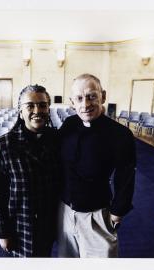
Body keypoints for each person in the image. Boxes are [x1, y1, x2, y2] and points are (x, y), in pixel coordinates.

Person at [58, 73, 136, 258]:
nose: (85, 104)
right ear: (72, 102)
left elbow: (126, 175)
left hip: (97, 214)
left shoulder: (120, 134)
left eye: (91, 96)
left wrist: (118, 211)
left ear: (103, 96)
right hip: (65, 212)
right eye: (79, 98)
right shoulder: (69, 124)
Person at [0, 85, 59, 257]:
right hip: (21, 224)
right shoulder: (4, 145)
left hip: (49, 222)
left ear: (48, 109)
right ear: (20, 112)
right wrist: (1, 232)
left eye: (42, 105)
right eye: (30, 106)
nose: (37, 110)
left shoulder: (57, 140)